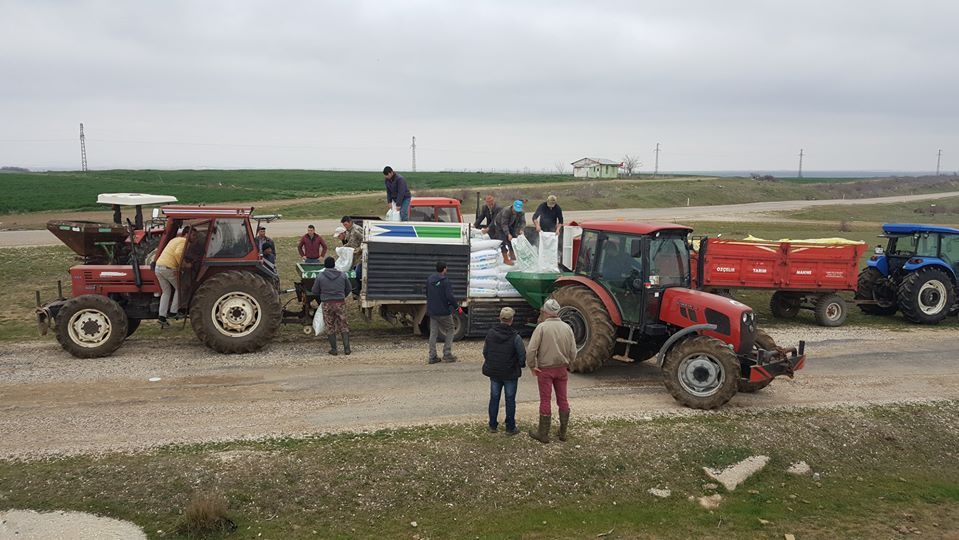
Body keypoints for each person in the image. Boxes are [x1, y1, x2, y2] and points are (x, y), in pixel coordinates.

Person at [526, 298, 576, 443]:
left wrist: (532, 365)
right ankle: (563, 432)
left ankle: (543, 434)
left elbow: (531, 350)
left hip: (545, 369)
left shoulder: (541, 328)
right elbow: (573, 350)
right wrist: (570, 363)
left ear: (546, 312)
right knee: (563, 399)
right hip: (562, 369)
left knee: (545, 400)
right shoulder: (567, 327)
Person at [482, 306, 526, 435]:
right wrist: (520, 365)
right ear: (511, 320)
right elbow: (522, 354)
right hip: (510, 373)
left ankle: (492, 425)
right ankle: (510, 427)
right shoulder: (515, 337)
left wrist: (491, 362)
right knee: (510, 399)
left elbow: (485, 352)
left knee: (494, 398)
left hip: (495, 372)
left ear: (500, 318)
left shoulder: (490, 333)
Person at [311, 256, 353, 355]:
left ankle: (334, 349)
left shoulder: (320, 276)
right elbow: (349, 288)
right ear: (334, 265)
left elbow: (314, 291)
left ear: (325, 265)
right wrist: (342, 296)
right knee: (343, 324)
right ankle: (347, 349)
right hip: (340, 302)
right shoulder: (342, 275)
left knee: (329, 325)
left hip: (327, 303)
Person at [154, 226, 192, 329]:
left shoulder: (174, 239)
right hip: (168, 268)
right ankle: (174, 312)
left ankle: (161, 316)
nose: (194, 237)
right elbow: (178, 253)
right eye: (193, 235)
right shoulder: (184, 241)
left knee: (166, 292)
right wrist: (184, 265)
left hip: (158, 267)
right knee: (179, 288)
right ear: (187, 234)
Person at [425, 261, 460, 364]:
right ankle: (447, 354)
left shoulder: (430, 279)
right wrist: (457, 307)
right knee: (450, 329)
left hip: (432, 311)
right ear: (444, 269)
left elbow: (426, 293)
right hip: (444, 311)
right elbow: (450, 296)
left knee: (433, 333)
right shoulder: (445, 281)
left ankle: (432, 356)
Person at [491, 199, 526, 264]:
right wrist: (508, 234)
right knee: (503, 241)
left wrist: (521, 229)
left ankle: (512, 255)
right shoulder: (506, 211)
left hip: (511, 225)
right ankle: (505, 259)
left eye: (517, 210)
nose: (516, 212)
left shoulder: (521, 212)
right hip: (500, 225)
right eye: (515, 210)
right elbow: (504, 224)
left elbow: (523, 222)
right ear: (513, 206)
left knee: (513, 239)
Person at [339, 216, 365, 297]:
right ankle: (355, 291)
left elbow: (365, 241)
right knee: (352, 273)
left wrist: (358, 250)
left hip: (361, 257)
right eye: (344, 225)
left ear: (350, 222)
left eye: (346, 224)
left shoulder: (356, 230)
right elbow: (351, 243)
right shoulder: (349, 231)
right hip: (354, 257)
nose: (345, 227)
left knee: (357, 274)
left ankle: (357, 291)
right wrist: (342, 248)